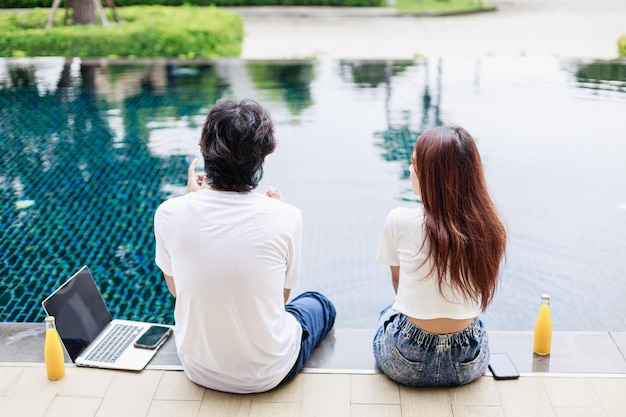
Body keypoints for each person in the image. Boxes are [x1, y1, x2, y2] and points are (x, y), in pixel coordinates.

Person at [154, 99, 336, 394]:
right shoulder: (286, 217)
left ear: (205, 148)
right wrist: (279, 215)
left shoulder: (168, 213)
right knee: (320, 303)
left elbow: (177, 288)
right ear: (263, 154)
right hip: (269, 372)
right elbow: (281, 298)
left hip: (198, 368)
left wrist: (189, 200)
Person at [373, 126, 507, 387]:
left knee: (386, 312)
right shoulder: (491, 228)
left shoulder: (399, 219)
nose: (409, 171)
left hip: (406, 360)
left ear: (432, 176)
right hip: (466, 362)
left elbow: (399, 289)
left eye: (414, 164)